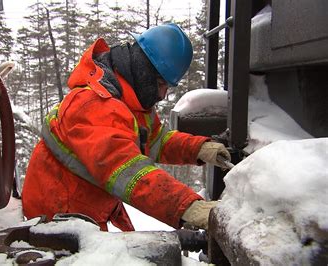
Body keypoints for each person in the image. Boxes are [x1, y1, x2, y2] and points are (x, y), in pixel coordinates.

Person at [21, 24, 231, 231]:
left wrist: (200, 149)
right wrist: (186, 206)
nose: (162, 95)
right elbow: (127, 171)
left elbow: (156, 140)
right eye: (160, 84)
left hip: (85, 213)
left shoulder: (130, 105)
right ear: (143, 71)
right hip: (56, 223)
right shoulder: (93, 105)